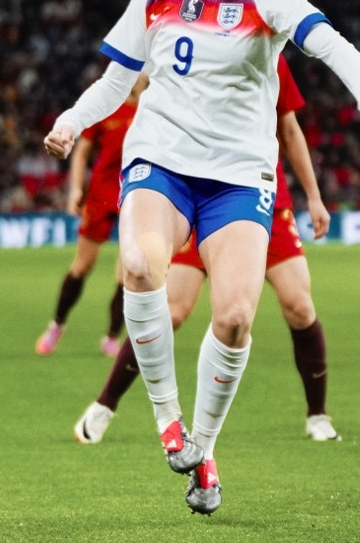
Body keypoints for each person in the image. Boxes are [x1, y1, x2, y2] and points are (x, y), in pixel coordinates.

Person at [44, 0, 360, 516]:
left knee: (236, 316)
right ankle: (167, 419)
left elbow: (330, 45)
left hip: (239, 176)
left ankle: (203, 449)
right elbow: (115, 81)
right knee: (139, 266)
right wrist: (72, 121)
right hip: (160, 160)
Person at [75, 57, 342, 447]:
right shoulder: (185, 42)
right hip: (195, 194)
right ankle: (105, 405)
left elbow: (288, 127)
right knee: (171, 311)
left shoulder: (269, 51)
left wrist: (314, 197)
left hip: (257, 197)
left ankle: (317, 414)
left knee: (299, 305)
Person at [35, 76, 146, 358]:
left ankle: (111, 337)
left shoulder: (154, 108)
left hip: (136, 194)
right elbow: (82, 151)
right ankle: (57, 325)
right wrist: (75, 189)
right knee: (83, 265)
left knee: (129, 271)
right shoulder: (109, 105)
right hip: (101, 195)